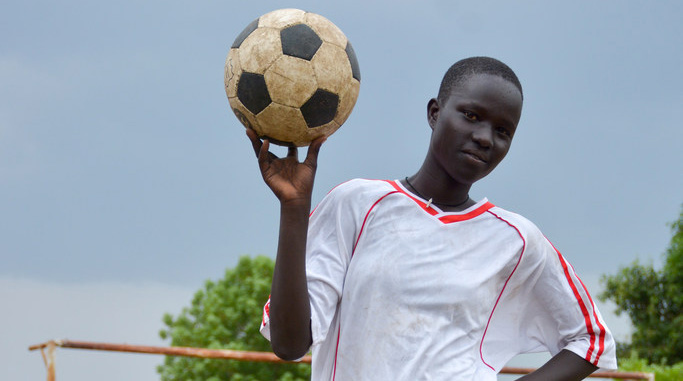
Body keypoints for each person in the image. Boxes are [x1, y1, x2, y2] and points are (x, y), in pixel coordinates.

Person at [248, 57, 617, 380]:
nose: (485, 138)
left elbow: (592, 340)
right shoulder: (357, 204)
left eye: (503, 131)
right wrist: (294, 209)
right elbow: (290, 344)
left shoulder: (517, 241)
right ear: (435, 113)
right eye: (471, 116)